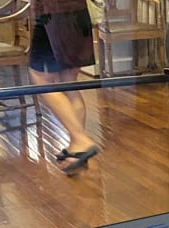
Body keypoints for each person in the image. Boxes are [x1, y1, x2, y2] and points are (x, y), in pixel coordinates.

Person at [29, 0, 99, 175]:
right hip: (77, 12)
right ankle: (77, 149)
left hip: (53, 13)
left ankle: (80, 140)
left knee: (41, 80)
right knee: (69, 82)